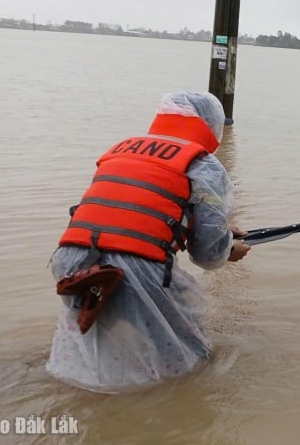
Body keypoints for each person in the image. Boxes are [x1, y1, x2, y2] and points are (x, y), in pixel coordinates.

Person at [46, 91, 251, 393]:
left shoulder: (122, 148)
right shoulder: (204, 164)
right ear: (211, 126)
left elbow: (138, 207)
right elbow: (207, 254)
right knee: (193, 358)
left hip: (72, 261)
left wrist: (217, 227)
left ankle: (80, 396)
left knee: (97, 339)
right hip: (135, 266)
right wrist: (228, 249)